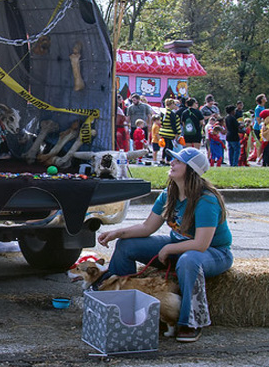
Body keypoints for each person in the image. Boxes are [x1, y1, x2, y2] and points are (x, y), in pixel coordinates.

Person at [97, 147, 232, 343]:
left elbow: (201, 244)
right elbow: (147, 227)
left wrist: (169, 248)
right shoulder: (170, 192)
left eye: (178, 161)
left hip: (213, 252)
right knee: (126, 245)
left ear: (191, 169)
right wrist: (118, 233)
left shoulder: (206, 200)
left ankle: (190, 322)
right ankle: (120, 308)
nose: (172, 163)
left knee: (189, 260)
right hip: (179, 245)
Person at [158, 99, 182, 164]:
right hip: (170, 132)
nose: (175, 106)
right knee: (170, 147)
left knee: (165, 146)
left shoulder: (162, 112)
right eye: (174, 104)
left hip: (163, 131)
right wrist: (176, 133)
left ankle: (162, 159)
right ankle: (168, 160)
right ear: (171, 104)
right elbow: (173, 124)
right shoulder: (171, 113)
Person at [249, 94, 267, 162]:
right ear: (261, 100)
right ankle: (258, 158)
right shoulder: (258, 108)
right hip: (258, 128)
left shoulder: (263, 107)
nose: (265, 98)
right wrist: (261, 127)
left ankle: (260, 158)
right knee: (259, 144)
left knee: (262, 143)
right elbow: (258, 119)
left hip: (262, 127)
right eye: (264, 97)